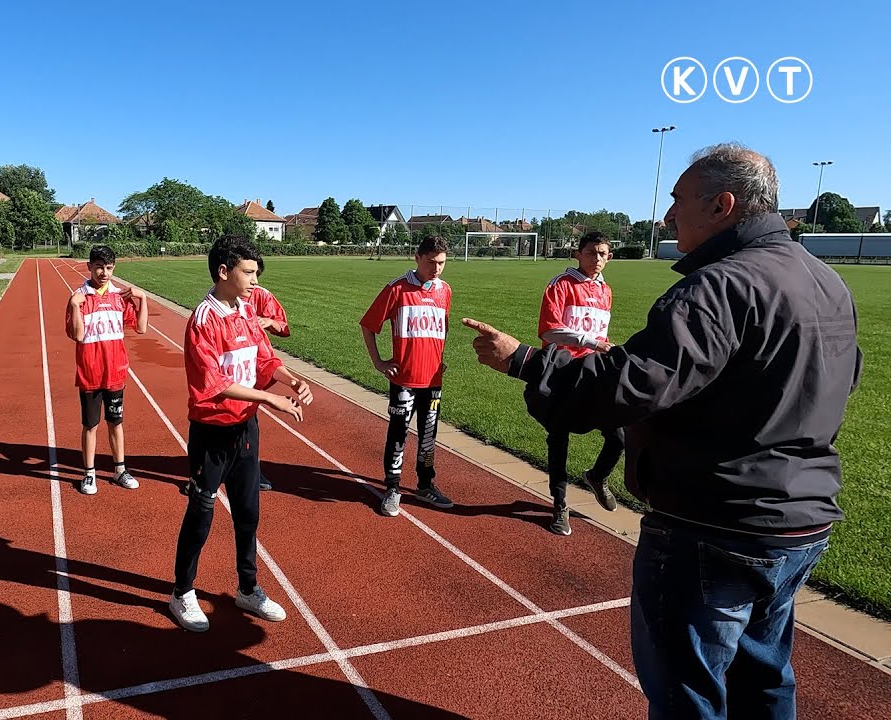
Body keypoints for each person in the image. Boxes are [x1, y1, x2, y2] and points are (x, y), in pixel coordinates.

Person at [462, 143, 863, 719]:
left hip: (712, 522)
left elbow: (630, 384)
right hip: (799, 523)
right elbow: (842, 380)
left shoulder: (719, 287)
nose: (668, 216)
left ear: (723, 204)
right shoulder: (828, 283)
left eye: (677, 201)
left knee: (687, 694)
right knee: (764, 679)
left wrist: (525, 362)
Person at [170, 236, 313, 633]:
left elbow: (265, 358)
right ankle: (182, 592)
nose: (255, 280)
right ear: (223, 272)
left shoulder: (247, 311)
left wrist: (290, 380)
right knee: (201, 514)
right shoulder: (204, 319)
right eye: (249, 272)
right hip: (212, 433)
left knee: (248, 514)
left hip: (246, 430)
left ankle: (248, 588)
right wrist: (271, 400)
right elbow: (214, 384)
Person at [359, 235, 455, 518]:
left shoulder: (445, 290)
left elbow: (441, 328)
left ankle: (426, 485)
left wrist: (439, 358)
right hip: (405, 379)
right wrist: (378, 362)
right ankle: (392, 487)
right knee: (399, 433)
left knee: (428, 436)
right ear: (417, 258)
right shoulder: (397, 289)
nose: (436, 269)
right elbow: (368, 325)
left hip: (433, 380)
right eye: (431, 262)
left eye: (441, 263)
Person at [537, 231, 622, 535]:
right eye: (590, 253)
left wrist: (605, 348)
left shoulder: (606, 291)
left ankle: (597, 476)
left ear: (608, 257)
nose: (596, 259)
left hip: (595, 372)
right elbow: (548, 331)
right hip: (564, 372)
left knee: (620, 434)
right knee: (559, 440)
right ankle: (560, 505)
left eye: (602, 254)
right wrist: (589, 341)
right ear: (578, 254)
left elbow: (602, 333)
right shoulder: (562, 284)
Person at [65, 244, 148, 495]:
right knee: (90, 425)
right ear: (89, 266)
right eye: (99, 266)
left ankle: (120, 469)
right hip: (90, 374)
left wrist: (142, 298)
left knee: (116, 422)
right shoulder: (80, 297)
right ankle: (89, 474)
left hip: (115, 373)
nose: (104, 272)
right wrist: (74, 305)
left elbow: (141, 328)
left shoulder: (118, 298)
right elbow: (78, 335)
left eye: (109, 267)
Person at [247, 259, 290, 490]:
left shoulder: (262, 295)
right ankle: (201, 476)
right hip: (228, 370)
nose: (253, 281)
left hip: (255, 366)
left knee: (249, 422)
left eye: (255, 274)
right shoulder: (217, 299)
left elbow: (284, 328)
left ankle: (253, 470)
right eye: (248, 273)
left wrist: (270, 321)